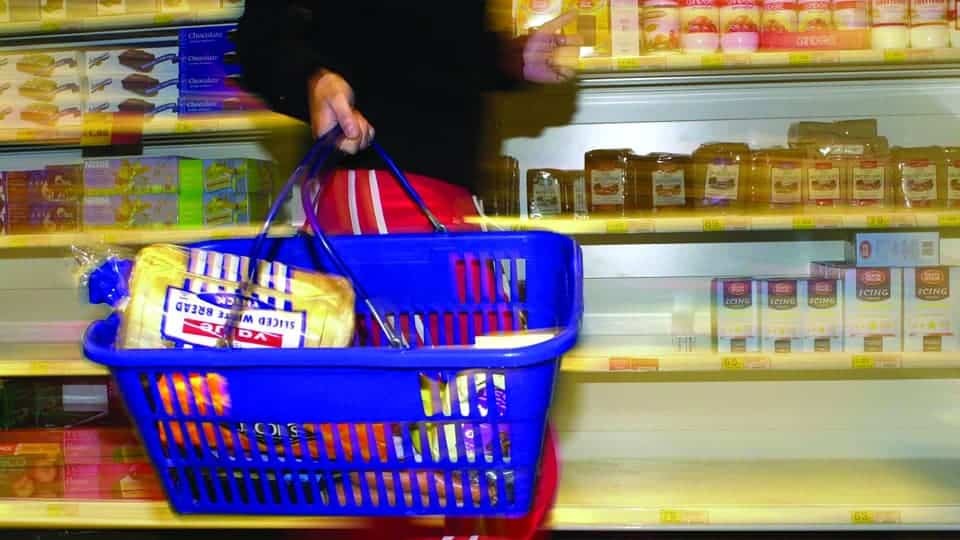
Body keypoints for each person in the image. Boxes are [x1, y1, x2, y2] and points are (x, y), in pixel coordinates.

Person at [235, 2, 575, 539]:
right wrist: (314, 79)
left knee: (433, 422)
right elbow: (267, 29)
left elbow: (419, 39)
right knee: (495, 409)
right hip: (385, 187)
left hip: (422, 189)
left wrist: (505, 60)